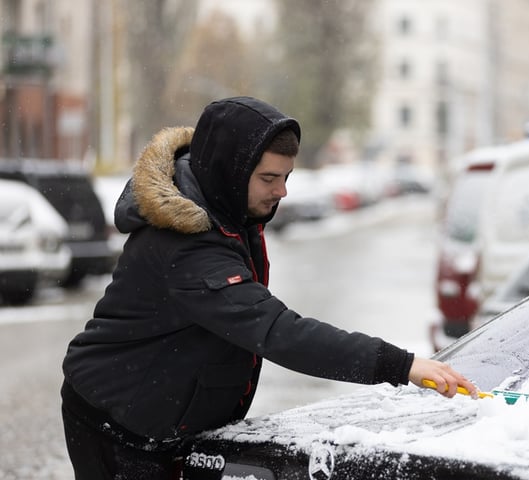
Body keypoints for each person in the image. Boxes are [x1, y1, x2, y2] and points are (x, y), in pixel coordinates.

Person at [61, 96, 477, 479]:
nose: (282, 191)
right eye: (269, 178)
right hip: (116, 422)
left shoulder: (225, 209)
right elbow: (277, 333)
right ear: (230, 170)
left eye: (286, 176)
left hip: (163, 416)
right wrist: (399, 365)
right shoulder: (186, 246)